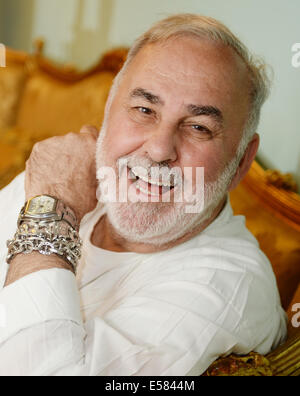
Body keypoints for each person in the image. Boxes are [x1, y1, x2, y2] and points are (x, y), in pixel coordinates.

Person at [0, 14, 287, 376]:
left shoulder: (226, 288)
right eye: (144, 110)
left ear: (242, 161)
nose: (158, 149)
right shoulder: (67, 172)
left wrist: (52, 210)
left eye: (199, 127)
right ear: (108, 112)